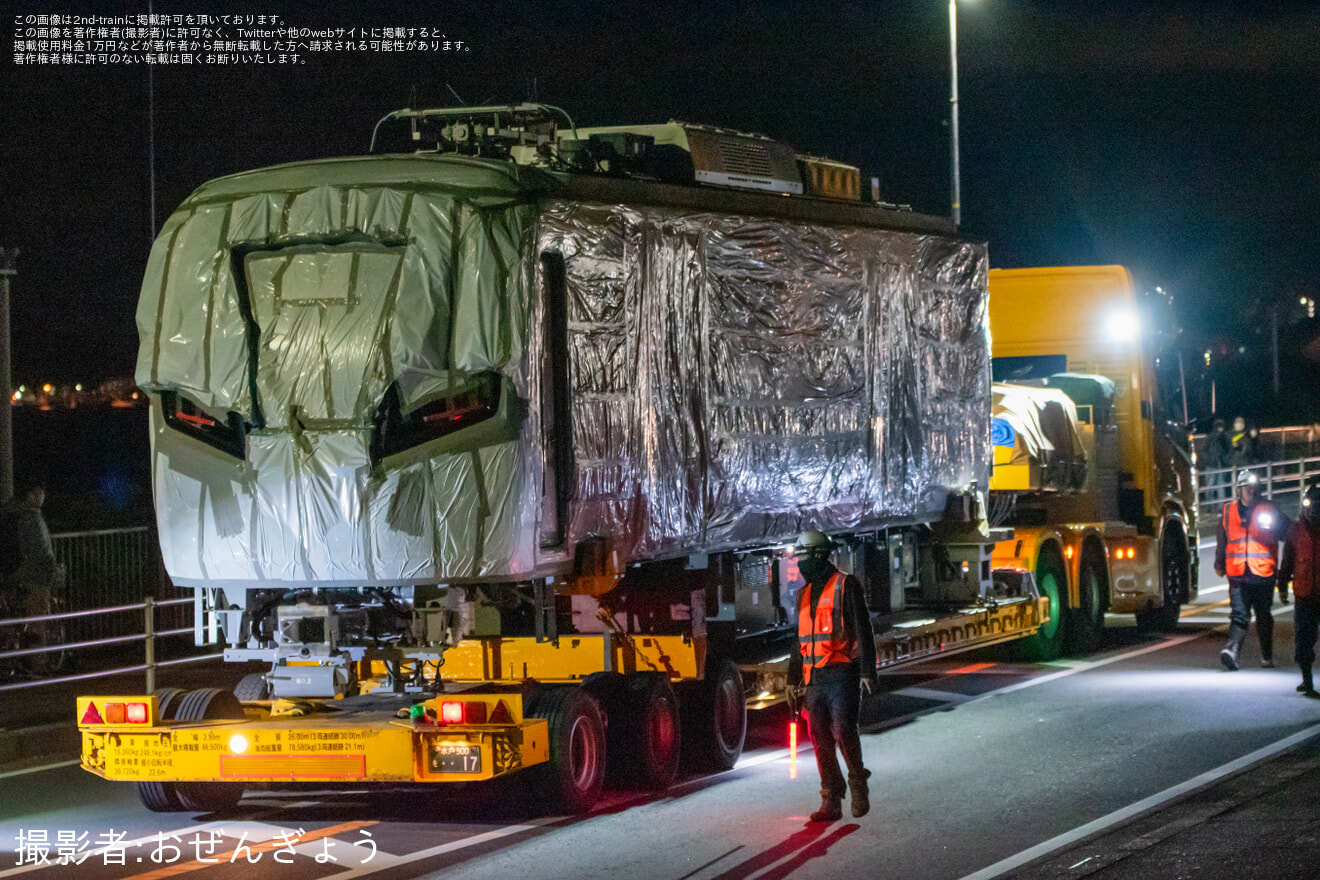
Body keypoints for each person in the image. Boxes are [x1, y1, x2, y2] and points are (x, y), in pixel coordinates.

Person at [786, 530, 878, 822]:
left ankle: (857, 782)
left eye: (803, 556)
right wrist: (791, 678)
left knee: (844, 730)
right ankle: (831, 799)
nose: (799, 563)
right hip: (814, 678)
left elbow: (864, 629)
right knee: (818, 736)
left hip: (842, 673)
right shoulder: (803, 594)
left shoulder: (845, 585)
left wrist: (867, 671)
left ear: (817, 555)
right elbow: (799, 639)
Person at [1214, 470, 1288, 670]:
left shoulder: (1269, 510)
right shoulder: (1228, 512)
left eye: (1255, 488)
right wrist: (1219, 562)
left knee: (1263, 615)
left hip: (1263, 574)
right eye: (1247, 488)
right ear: (1239, 490)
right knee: (1239, 614)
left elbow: (1288, 534)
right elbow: (1223, 539)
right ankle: (1232, 651)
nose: (1251, 492)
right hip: (1238, 574)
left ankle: (1266, 655)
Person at [2, 477, 61, 674]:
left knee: (14, 623)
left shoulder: (11, 516)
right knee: (37, 622)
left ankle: (14, 661)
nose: (43, 496)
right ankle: (38, 665)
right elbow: (41, 552)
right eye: (39, 492)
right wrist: (52, 572)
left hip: (12, 576)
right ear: (31, 495)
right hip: (34, 578)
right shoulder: (32, 518)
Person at [1280, 485, 1320, 697]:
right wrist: (1283, 586)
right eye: (1309, 505)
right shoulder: (1296, 531)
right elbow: (1287, 561)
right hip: (1304, 596)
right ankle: (1307, 680)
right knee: (1303, 641)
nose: (1313, 510)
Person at [1204, 419, 1232, 488]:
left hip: (1222, 464)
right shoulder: (1210, 437)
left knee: (1221, 485)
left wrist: (1226, 460)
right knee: (1210, 484)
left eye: (1221, 426)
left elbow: (1230, 450)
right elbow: (1204, 450)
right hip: (1211, 464)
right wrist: (1208, 460)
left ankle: (1221, 498)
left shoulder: (1226, 437)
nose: (1220, 428)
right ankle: (1210, 499)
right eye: (1218, 426)